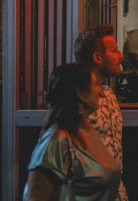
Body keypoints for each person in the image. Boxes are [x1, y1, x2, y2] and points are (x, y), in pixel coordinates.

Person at [23, 63, 121, 201]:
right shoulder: (58, 140)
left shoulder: (88, 132)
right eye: (96, 85)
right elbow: (35, 197)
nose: (101, 91)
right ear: (81, 93)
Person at [73, 24, 128, 201]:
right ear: (97, 57)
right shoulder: (76, 99)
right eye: (115, 51)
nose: (121, 55)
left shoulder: (109, 95)